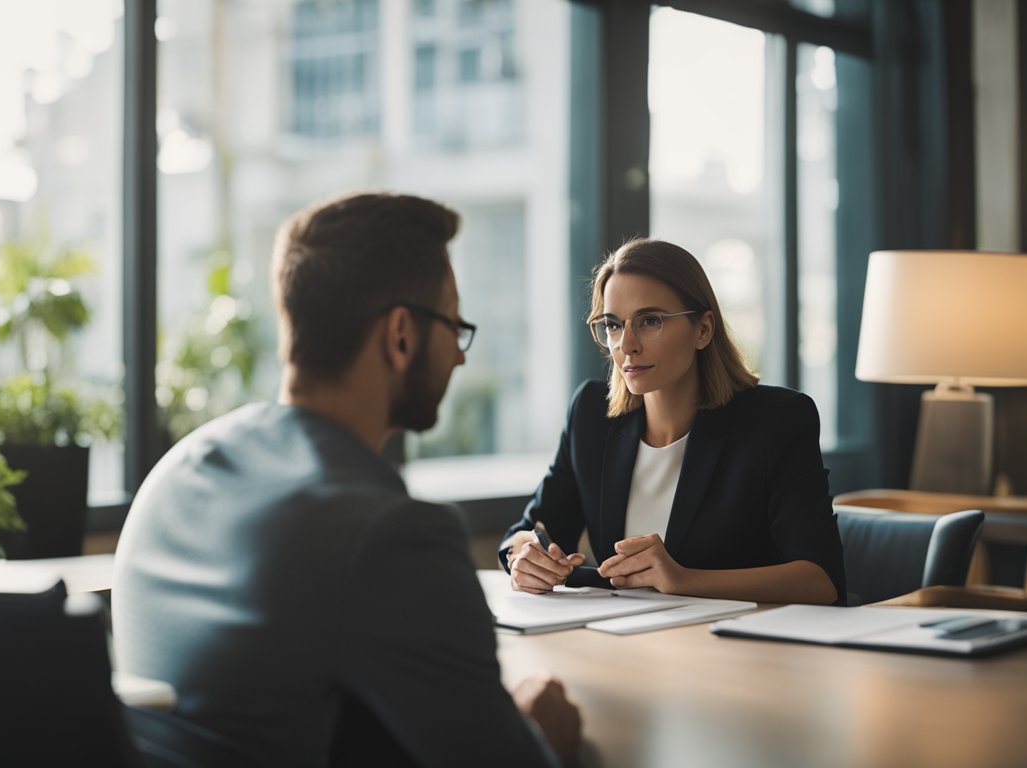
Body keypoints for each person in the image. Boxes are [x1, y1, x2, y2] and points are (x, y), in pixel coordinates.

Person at [112, 192, 582, 767]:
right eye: (454, 325)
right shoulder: (392, 534)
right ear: (402, 334)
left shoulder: (178, 469)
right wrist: (544, 733)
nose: (459, 357)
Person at [499, 238, 845, 605]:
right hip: (624, 641)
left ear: (703, 330)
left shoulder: (778, 420)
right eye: (613, 325)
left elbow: (821, 579)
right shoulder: (591, 414)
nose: (626, 345)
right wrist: (524, 557)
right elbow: (530, 532)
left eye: (650, 321)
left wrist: (681, 579)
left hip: (741, 646)